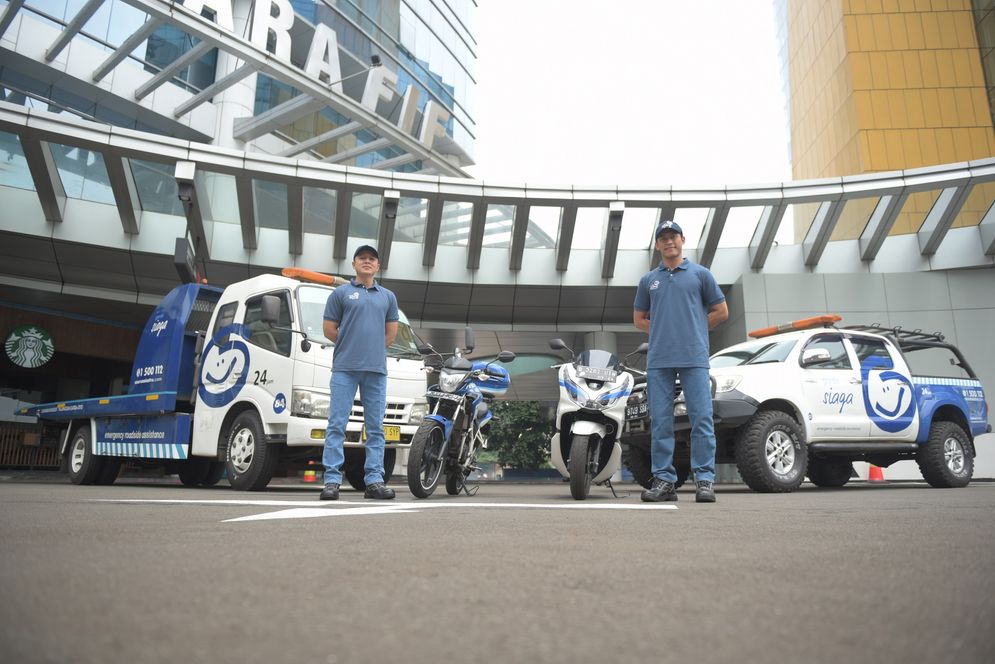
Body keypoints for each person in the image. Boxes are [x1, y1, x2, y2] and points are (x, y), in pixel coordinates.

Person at [633, 221, 728, 503]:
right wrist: (664, 330)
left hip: (694, 356)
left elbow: (722, 311)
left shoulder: (701, 274)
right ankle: (664, 482)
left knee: (701, 419)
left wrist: (696, 327)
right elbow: (639, 320)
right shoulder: (649, 280)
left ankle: (705, 481)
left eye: (673, 236)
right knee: (661, 422)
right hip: (659, 360)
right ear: (658, 245)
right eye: (663, 238)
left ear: (682, 240)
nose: (668, 241)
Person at [319, 244, 399, 500]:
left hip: (376, 369)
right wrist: (351, 344)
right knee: (337, 425)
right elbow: (329, 329)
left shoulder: (388, 297)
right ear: (353, 264)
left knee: (376, 428)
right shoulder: (340, 294)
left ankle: (374, 481)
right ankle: (332, 481)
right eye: (362, 258)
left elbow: (391, 334)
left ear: (378, 266)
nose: (367, 262)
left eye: (371, 259)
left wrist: (370, 348)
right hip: (344, 368)